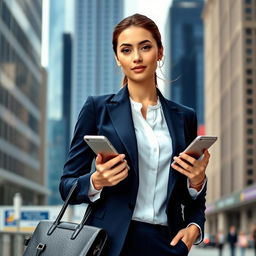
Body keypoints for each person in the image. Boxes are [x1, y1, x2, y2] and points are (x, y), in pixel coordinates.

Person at [59, 13, 210, 256]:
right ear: (117, 58)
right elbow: (66, 186)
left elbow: (189, 192)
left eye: (146, 47)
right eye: (126, 50)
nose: (137, 57)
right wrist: (97, 181)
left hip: (167, 244)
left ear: (160, 52)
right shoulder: (97, 109)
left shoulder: (184, 117)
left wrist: (194, 214)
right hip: (109, 244)